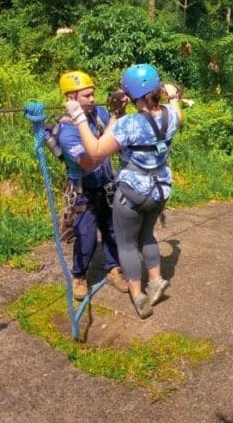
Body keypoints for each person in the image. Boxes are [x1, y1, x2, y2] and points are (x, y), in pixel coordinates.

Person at [64, 64, 183, 319]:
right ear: (157, 89)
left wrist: (78, 117)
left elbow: (95, 152)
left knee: (128, 245)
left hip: (133, 193)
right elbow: (176, 112)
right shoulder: (171, 116)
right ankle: (156, 280)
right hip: (160, 190)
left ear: (130, 94)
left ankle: (138, 296)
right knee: (147, 237)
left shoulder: (128, 124)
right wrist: (173, 96)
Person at [56, 70, 128, 300]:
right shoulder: (67, 132)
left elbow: (119, 131)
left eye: (93, 94)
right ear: (71, 99)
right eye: (86, 95)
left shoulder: (100, 113)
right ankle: (79, 275)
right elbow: (90, 161)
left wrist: (120, 109)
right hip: (84, 191)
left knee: (112, 231)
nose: (92, 99)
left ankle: (113, 268)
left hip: (107, 185)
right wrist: (112, 125)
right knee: (85, 236)